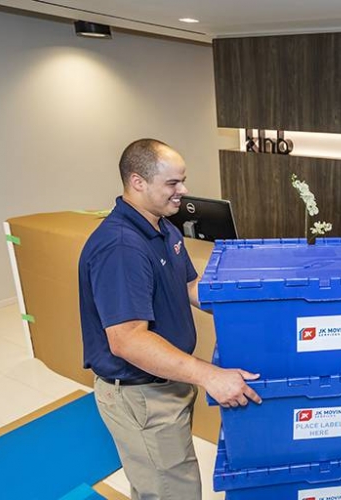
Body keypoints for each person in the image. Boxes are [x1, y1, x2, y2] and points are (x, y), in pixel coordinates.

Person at [78, 139, 262, 499]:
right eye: (173, 184)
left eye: (183, 181)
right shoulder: (121, 246)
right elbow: (127, 339)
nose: (184, 191)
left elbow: (189, 286)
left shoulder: (163, 227)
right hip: (140, 395)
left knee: (164, 482)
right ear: (138, 182)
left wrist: (246, 308)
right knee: (171, 491)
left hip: (167, 385)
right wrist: (210, 375)